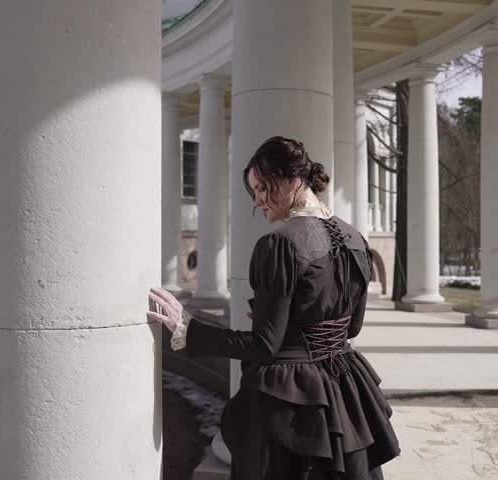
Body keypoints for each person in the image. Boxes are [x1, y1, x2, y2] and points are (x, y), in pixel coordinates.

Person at [147, 136, 400, 479]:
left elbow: (265, 345)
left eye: (264, 188)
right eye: (254, 191)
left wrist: (186, 327)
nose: (258, 201)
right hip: (343, 389)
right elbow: (350, 328)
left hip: (288, 404)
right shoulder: (356, 238)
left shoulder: (280, 243)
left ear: (293, 180)